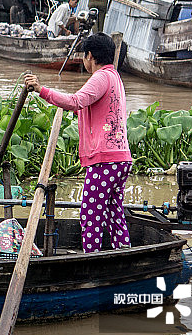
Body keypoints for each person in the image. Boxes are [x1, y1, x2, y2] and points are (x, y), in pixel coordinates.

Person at [24, 32, 132, 253]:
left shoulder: (101, 77)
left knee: (90, 214)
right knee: (114, 212)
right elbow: (93, 108)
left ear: (90, 55)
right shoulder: (114, 76)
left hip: (105, 159)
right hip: (120, 158)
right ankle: (123, 251)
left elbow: (76, 101)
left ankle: (91, 257)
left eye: (84, 56)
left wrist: (42, 90)